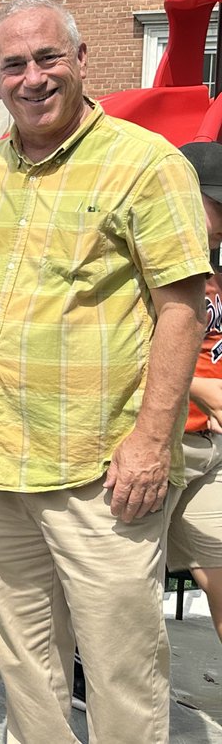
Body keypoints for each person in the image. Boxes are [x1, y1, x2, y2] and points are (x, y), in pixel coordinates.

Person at [0, 0, 210, 742]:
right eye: (14, 64)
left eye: (47, 58)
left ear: (79, 62)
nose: (32, 77)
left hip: (102, 471)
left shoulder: (144, 164)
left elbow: (182, 310)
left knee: (121, 665)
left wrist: (148, 441)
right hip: (4, 464)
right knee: (26, 660)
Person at [165, 140, 222, 642]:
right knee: (121, 582)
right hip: (157, 444)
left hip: (207, 449)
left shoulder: (215, 269)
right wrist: (205, 391)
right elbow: (133, 356)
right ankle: (81, 666)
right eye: (216, 202)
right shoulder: (153, 261)